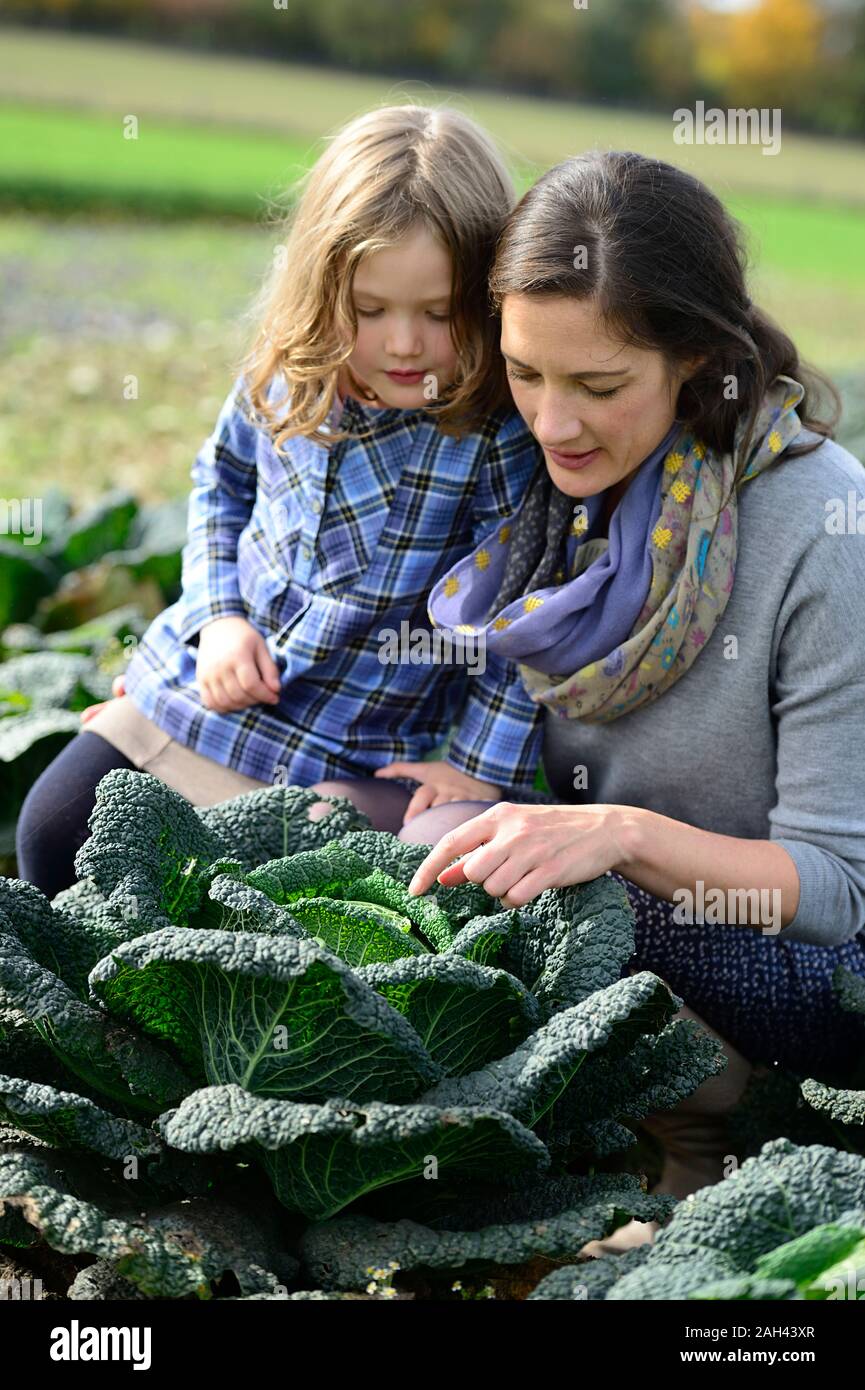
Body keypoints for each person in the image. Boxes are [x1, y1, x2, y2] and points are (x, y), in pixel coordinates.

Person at [388, 150, 865, 1251]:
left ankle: (705, 1146)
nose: (553, 421)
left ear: (695, 355)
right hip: (630, 907)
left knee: (509, 869)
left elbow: (837, 890)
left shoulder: (822, 532)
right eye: (525, 374)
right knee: (385, 834)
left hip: (812, 968)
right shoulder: (552, 493)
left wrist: (618, 833)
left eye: (597, 386)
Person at [14, 104, 547, 900]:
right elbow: (220, 486)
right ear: (322, 284)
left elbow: (519, 611)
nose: (402, 343)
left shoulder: (490, 434)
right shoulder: (286, 371)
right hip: (214, 692)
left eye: (437, 314)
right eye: (369, 310)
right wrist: (218, 617)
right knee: (53, 827)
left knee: (254, 901)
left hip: (359, 745)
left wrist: (477, 763)